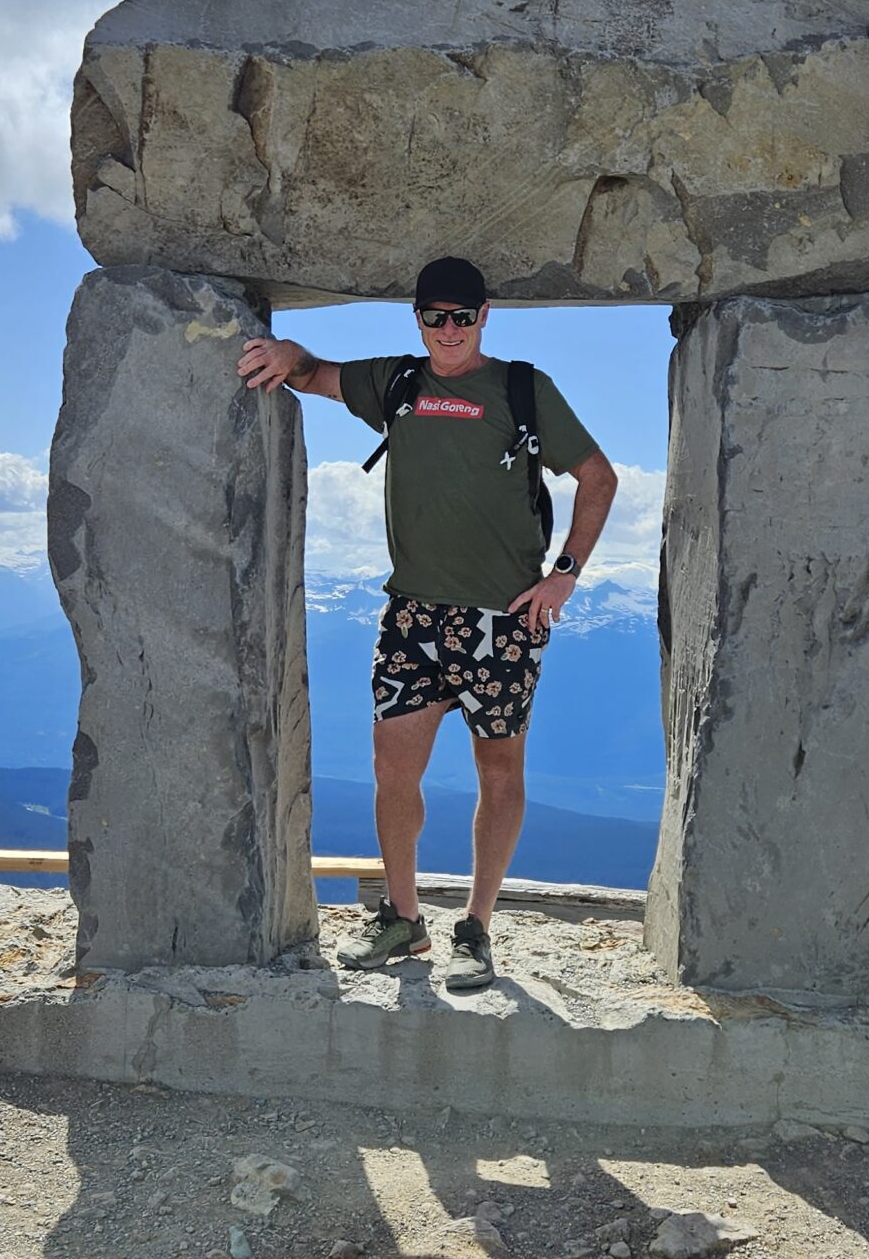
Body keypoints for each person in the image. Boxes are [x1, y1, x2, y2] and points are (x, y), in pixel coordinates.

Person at [238, 256, 618, 991]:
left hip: (502, 620)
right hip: (411, 615)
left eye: (462, 316)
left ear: (483, 317)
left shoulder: (522, 389)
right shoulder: (398, 382)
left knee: (499, 773)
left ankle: (475, 928)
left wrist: (563, 576)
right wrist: (287, 357)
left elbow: (597, 478)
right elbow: (317, 375)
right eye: (434, 316)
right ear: (418, 319)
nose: (449, 329)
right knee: (391, 772)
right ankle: (404, 923)